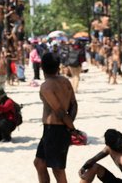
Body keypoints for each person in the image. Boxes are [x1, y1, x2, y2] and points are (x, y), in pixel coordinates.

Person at [34, 52, 79, 183]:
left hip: (55, 129)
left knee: (57, 170)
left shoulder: (46, 86)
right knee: (39, 163)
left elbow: (59, 111)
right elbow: (74, 104)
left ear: (42, 67)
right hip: (54, 129)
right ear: (58, 67)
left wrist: (71, 127)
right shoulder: (65, 81)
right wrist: (70, 122)